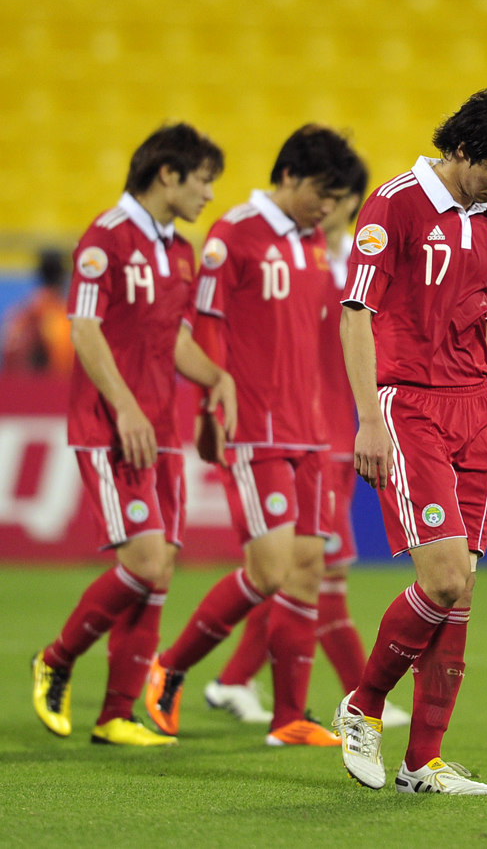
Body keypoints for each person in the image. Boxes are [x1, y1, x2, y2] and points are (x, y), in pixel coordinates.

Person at [332, 84, 487, 794]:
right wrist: (367, 416)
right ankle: (363, 704)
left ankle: (422, 761)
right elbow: (355, 314)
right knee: (443, 576)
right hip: (411, 404)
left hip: (475, 413)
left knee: (461, 594)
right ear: (462, 148)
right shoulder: (395, 202)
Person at [145, 124, 363, 746]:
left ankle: (288, 717)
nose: (327, 206)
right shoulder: (233, 234)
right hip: (256, 428)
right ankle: (171, 667)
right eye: (321, 191)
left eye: (336, 196)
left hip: (311, 430)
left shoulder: (313, 244)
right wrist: (210, 412)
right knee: (269, 572)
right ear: (289, 175)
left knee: (308, 569)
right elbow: (204, 326)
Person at [32, 123, 236, 746]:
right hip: (113, 425)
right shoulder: (105, 237)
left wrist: (215, 378)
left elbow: (171, 337)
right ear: (168, 174)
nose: (208, 194)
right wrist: (123, 407)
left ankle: (116, 714)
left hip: (161, 427)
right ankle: (57, 659)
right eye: (202, 180)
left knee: (162, 569)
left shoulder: (178, 250)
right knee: (143, 562)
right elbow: (85, 328)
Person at [202, 160, 411, 728]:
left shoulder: (341, 262)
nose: (337, 205)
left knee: (310, 573)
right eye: (335, 193)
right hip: (310, 428)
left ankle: (236, 681)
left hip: (331, 427)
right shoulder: (325, 263)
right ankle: (353, 695)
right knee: (306, 572)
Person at [1, 248, 74, 376]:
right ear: (63, 276)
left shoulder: (23, 310)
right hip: (46, 387)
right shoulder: (54, 313)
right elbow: (61, 361)